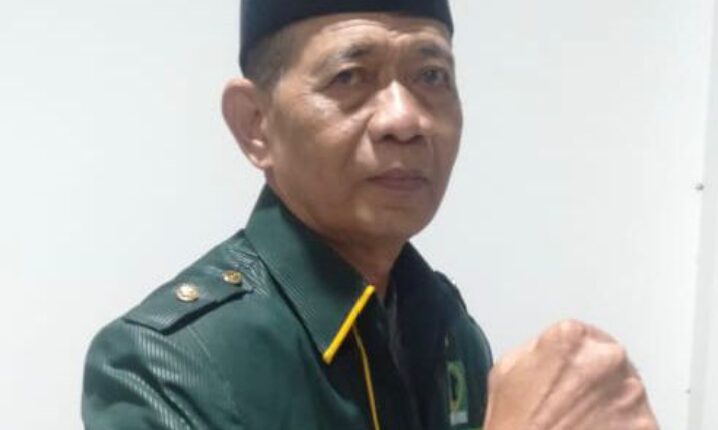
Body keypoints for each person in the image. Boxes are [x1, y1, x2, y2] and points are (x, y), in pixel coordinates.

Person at [82, 1, 659, 429]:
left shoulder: (445, 324)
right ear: (255, 125)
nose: (405, 120)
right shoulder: (167, 362)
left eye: (431, 76)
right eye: (350, 77)